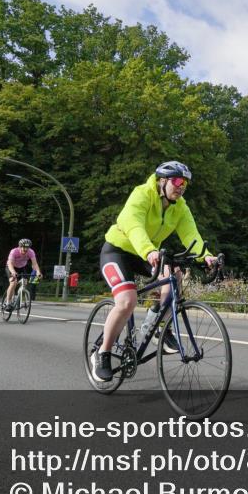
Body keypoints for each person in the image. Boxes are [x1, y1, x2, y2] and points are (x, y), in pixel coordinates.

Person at [92, 161, 219, 382]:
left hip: (147, 253)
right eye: (177, 181)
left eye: (185, 183)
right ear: (162, 181)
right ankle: (102, 354)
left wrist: (206, 256)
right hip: (118, 251)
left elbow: (192, 235)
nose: (181, 187)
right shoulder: (142, 194)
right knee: (126, 302)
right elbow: (133, 225)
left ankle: (156, 325)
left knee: (174, 277)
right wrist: (149, 250)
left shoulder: (180, 207)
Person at [4, 239, 42, 310]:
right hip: (11, 267)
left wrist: (38, 272)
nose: (25, 249)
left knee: (24, 282)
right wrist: (13, 272)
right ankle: (8, 303)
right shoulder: (14, 251)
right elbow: (10, 263)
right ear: (20, 246)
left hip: (22, 267)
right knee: (13, 283)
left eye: (27, 248)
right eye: (24, 247)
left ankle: (19, 297)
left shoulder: (31, 252)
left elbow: (34, 264)